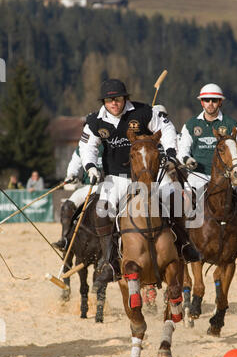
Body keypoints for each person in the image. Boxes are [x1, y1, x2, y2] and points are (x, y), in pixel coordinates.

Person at [78, 78, 201, 282]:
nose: (113, 104)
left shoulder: (144, 112)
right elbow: (87, 147)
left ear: (125, 98)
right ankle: (110, 262)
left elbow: (167, 128)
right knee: (101, 211)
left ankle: (184, 246)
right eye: (109, 101)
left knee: (175, 201)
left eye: (117, 99)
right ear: (104, 103)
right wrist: (90, 167)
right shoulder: (94, 121)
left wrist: (171, 153)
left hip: (151, 175)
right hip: (116, 177)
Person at [177, 82, 237, 265]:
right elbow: (182, 149)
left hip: (228, 176)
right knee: (182, 200)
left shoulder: (231, 124)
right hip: (198, 175)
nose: (210, 103)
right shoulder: (192, 124)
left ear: (220, 103)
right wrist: (186, 160)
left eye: (214, 100)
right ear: (202, 102)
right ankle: (183, 245)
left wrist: (235, 163)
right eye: (206, 100)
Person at [52, 144, 104, 252]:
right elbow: (74, 163)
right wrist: (71, 174)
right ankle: (65, 240)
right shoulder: (83, 146)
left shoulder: (110, 142)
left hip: (107, 186)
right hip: (87, 187)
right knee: (67, 206)